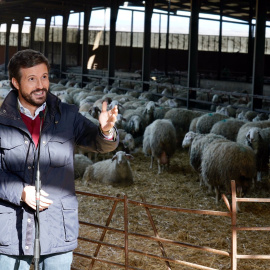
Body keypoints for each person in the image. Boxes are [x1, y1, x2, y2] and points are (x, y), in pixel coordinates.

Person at [0, 49, 119, 269]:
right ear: (15, 83)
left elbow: (100, 144)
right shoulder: (2, 121)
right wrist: (20, 192)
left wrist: (106, 130)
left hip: (57, 229)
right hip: (11, 231)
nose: (41, 85)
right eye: (32, 79)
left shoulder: (68, 115)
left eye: (44, 77)